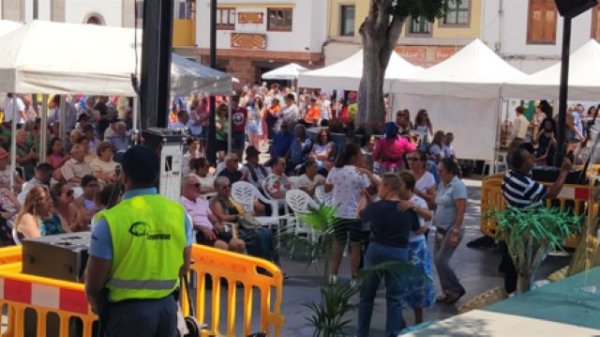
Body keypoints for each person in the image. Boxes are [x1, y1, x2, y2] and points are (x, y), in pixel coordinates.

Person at [85, 146, 192, 337]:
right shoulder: (179, 213)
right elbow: (184, 268)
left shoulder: (109, 220)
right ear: (156, 175)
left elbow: (94, 283)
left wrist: (101, 310)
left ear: (123, 176)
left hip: (127, 316)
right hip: (167, 310)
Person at [356, 173, 421, 337]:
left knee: (366, 295)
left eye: (380, 186)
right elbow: (416, 228)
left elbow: (360, 214)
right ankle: (392, 333)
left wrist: (364, 197)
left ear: (387, 187)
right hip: (399, 252)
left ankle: (362, 333)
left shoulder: (377, 207)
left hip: (376, 249)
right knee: (395, 298)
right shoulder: (406, 208)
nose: (379, 189)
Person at [500, 146, 571, 294]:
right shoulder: (526, 184)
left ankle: (513, 290)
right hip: (526, 230)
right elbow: (552, 193)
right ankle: (519, 293)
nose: (534, 158)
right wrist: (564, 172)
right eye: (530, 157)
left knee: (514, 264)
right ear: (524, 164)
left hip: (514, 225)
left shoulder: (508, 176)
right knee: (524, 265)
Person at [325, 143, 379, 284]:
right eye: (360, 155)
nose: (362, 158)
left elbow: (327, 188)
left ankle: (333, 276)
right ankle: (354, 279)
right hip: (355, 215)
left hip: (337, 213)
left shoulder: (334, 171)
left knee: (338, 244)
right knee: (355, 247)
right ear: (355, 156)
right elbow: (372, 191)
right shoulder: (359, 172)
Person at [210, 176, 277, 263]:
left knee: (266, 232)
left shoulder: (230, 199)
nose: (228, 188)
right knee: (259, 235)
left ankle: (272, 262)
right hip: (231, 229)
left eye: (229, 185)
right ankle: (261, 264)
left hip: (242, 225)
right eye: (224, 187)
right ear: (217, 189)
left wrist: (247, 214)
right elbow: (222, 218)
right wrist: (237, 216)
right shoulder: (216, 202)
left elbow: (242, 211)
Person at [397, 171, 435, 325]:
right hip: (400, 246)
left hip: (416, 247)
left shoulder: (417, 200)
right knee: (398, 284)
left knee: (418, 285)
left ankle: (418, 322)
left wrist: (413, 207)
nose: (397, 189)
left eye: (400, 186)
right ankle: (399, 320)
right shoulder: (395, 200)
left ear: (409, 187)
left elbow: (428, 216)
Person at [180, 175, 245, 253]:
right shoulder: (180, 202)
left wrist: (216, 223)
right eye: (197, 185)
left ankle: (236, 264)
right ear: (185, 187)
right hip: (197, 233)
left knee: (239, 244)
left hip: (212, 230)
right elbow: (186, 223)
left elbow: (211, 217)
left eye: (200, 185)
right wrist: (203, 228)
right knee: (222, 246)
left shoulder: (201, 201)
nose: (199, 188)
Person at [433, 158, 467, 304]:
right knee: (438, 260)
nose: (438, 173)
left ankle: (456, 287)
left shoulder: (457, 186)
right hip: (440, 228)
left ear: (450, 171)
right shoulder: (442, 184)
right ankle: (447, 291)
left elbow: (461, 210)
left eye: (441, 170)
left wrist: (455, 231)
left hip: (451, 228)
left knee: (442, 260)